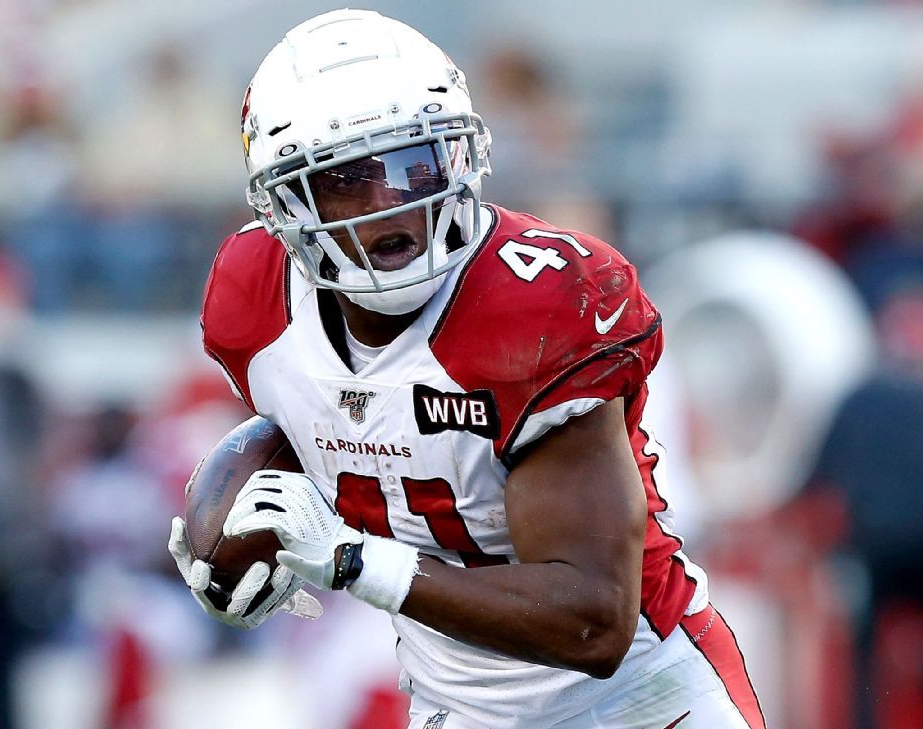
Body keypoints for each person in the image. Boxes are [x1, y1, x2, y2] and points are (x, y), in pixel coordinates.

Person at [167, 10, 766, 729]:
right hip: (457, 705)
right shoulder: (253, 300)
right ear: (288, 202)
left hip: (640, 698)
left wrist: (352, 559)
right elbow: (334, 424)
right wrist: (254, 537)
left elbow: (593, 623)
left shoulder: (541, 307)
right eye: (351, 178)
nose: (391, 201)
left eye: (413, 162)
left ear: (459, 155)